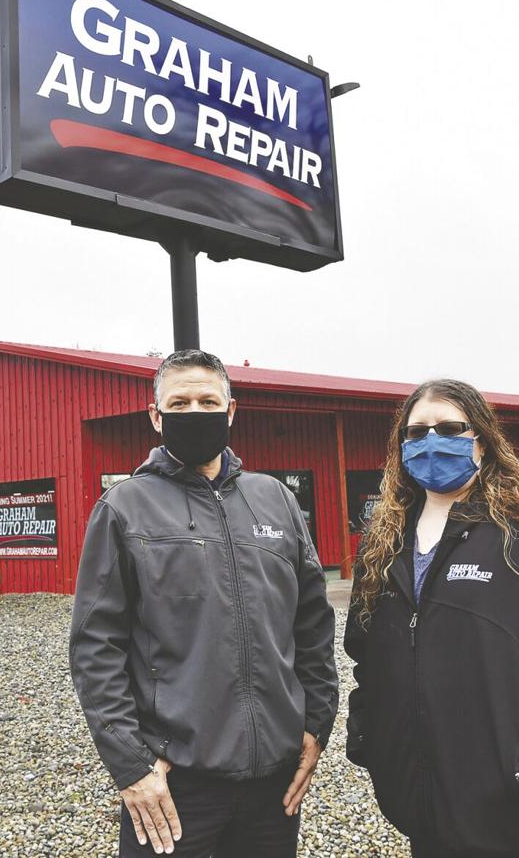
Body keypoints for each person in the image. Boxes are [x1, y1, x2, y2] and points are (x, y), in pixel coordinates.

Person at [343, 378, 519, 858]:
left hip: (517, 815)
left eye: (449, 427)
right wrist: (370, 741)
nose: (431, 440)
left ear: (481, 438)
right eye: (416, 433)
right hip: (422, 803)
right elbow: (366, 655)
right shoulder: (384, 544)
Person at [68, 349, 339, 857]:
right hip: (173, 785)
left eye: (208, 400)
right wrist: (131, 765)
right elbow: (95, 648)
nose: (195, 412)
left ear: (231, 410)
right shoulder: (125, 508)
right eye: (181, 402)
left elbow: (312, 623)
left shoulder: (275, 499)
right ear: (156, 416)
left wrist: (316, 724)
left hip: (272, 784)